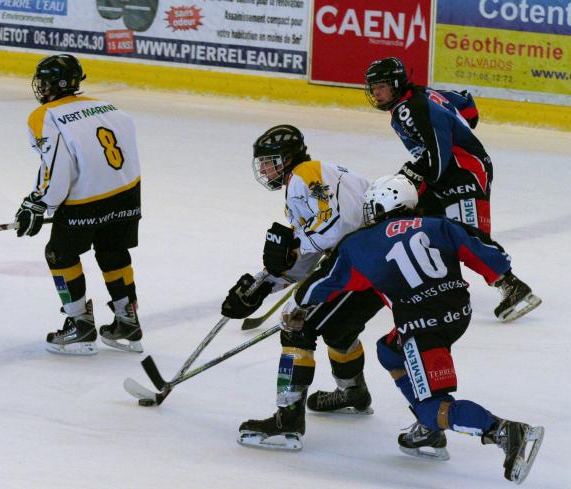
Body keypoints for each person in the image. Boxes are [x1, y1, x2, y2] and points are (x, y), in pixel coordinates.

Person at [283, 174, 544, 483]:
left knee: (433, 407)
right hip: (458, 313)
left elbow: (327, 281)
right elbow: (487, 252)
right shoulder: (437, 224)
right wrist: (502, 277)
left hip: (421, 327)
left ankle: (502, 430)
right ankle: (428, 433)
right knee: (389, 351)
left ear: (378, 208)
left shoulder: (361, 243)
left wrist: (299, 305)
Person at [220, 124, 384, 450]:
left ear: (289, 157)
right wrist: (263, 283)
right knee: (338, 328)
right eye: (262, 163)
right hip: (378, 261)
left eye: (270, 161)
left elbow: (337, 226)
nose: (264, 169)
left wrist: (294, 249)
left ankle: (288, 421)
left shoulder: (304, 176)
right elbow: (306, 255)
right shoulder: (310, 178)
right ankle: (353, 392)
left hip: (365, 263)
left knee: (298, 326)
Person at [364, 57, 541, 323]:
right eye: (373, 87)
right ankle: (437, 283)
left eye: (381, 86)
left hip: (463, 172)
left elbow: (437, 154)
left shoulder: (412, 107)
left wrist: (419, 174)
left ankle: (511, 284)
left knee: (465, 234)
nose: (376, 92)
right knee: (427, 224)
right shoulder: (422, 95)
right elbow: (468, 105)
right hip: (452, 170)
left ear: (397, 83)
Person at [15, 53, 143, 355]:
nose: (41, 88)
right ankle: (128, 321)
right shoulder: (109, 107)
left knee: (59, 253)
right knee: (113, 251)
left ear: (58, 85)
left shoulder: (44, 116)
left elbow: (57, 167)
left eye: (45, 82)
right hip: (127, 192)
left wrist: (40, 202)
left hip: (85, 200)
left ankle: (79, 326)